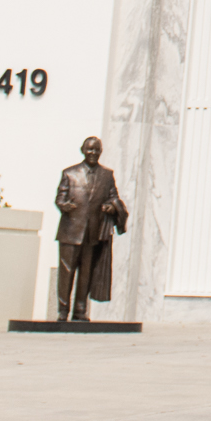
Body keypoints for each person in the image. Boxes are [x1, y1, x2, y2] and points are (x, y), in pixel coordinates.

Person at [52, 136, 128, 322]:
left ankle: (80, 310)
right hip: (71, 232)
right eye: (90, 149)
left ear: (101, 152)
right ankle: (63, 310)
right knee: (66, 273)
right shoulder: (70, 173)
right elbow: (59, 198)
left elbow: (113, 197)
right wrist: (64, 205)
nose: (93, 153)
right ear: (83, 150)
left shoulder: (107, 175)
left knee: (86, 274)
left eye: (96, 150)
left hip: (93, 233)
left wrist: (111, 207)